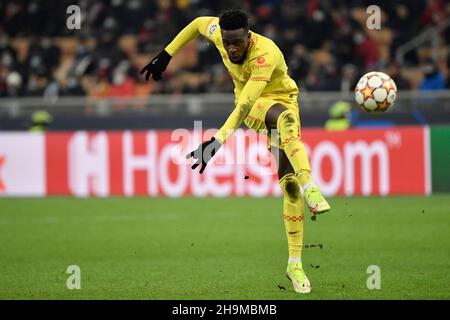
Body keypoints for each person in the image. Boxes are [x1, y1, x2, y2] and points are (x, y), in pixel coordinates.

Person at [140, 9, 331, 294]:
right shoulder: (219, 33)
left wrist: (217, 141)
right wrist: (166, 54)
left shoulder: (265, 53)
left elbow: (243, 105)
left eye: (237, 43)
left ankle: (294, 264)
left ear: (248, 36)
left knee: (288, 184)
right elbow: (196, 24)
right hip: (253, 106)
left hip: (280, 99)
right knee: (284, 121)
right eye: (228, 42)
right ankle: (312, 185)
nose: (231, 48)